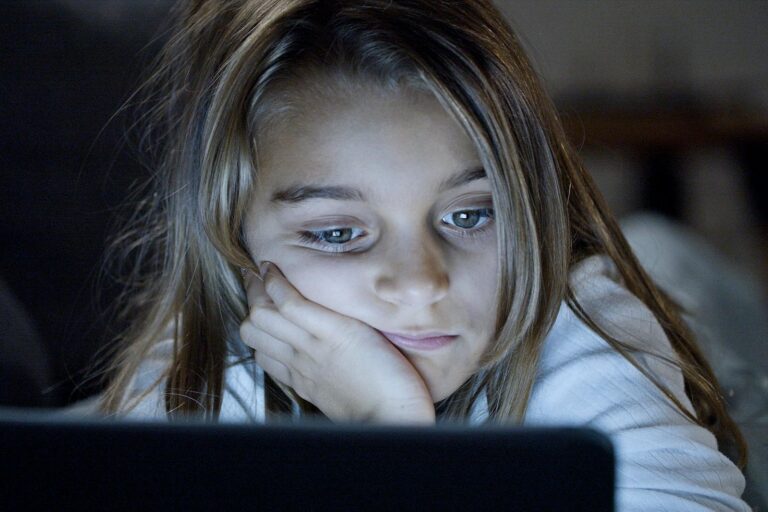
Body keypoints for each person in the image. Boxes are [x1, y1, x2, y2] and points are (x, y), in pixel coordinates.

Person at [97, 0, 750, 509]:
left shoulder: (586, 330)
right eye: (336, 232)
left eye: (468, 215)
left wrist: (389, 441)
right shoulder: (196, 388)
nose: (419, 284)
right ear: (233, 238)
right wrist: (391, 432)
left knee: (670, 257)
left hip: (700, 307)